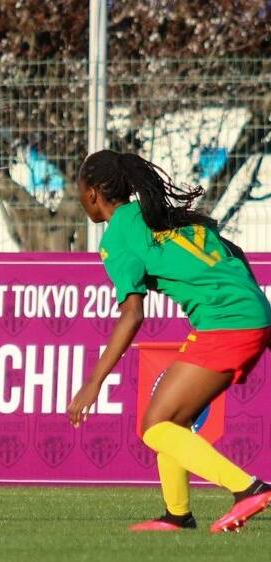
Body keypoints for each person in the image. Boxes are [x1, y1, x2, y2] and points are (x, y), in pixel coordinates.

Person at [68, 149, 271, 533]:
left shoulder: (118, 237)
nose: (80, 199)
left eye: (79, 190)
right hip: (248, 313)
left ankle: (248, 489)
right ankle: (178, 515)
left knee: (155, 426)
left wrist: (93, 383)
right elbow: (237, 252)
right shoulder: (159, 214)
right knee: (173, 418)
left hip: (226, 322)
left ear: (93, 193)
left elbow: (132, 314)